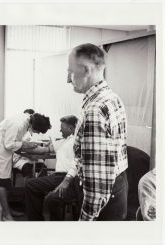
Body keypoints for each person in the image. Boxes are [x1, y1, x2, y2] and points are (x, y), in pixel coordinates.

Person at [62, 43, 129, 221]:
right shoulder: (113, 97)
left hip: (103, 201)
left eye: (70, 71)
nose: (68, 79)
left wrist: (85, 222)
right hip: (118, 187)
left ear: (85, 70)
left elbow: (97, 187)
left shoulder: (94, 110)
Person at [0, 112, 51, 221]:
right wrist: (26, 145)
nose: (36, 132)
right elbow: (9, 144)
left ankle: (7, 210)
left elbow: (15, 139)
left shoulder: (25, 121)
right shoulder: (18, 124)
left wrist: (26, 144)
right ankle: (6, 215)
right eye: (37, 131)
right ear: (34, 125)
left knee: (6, 182)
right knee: (2, 182)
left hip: (5, 153)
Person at [25, 115, 79, 221]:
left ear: (70, 128)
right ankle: (36, 221)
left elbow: (77, 163)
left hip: (68, 179)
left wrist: (66, 181)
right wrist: (23, 147)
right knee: (30, 184)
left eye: (62, 127)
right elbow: (43, 150)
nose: (59, 130)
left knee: (51, 199)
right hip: (57, 177)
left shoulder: (76, 142)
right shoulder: (63, 141)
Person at [12, 109, 46, 182]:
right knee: (27, 169)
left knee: (43, 168)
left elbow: (38, 144)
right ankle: (29, 189)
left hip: (33, 157)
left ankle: (41, 190)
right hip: (20, 158)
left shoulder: (35, 131)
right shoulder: (19, 128)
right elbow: (15, 146)